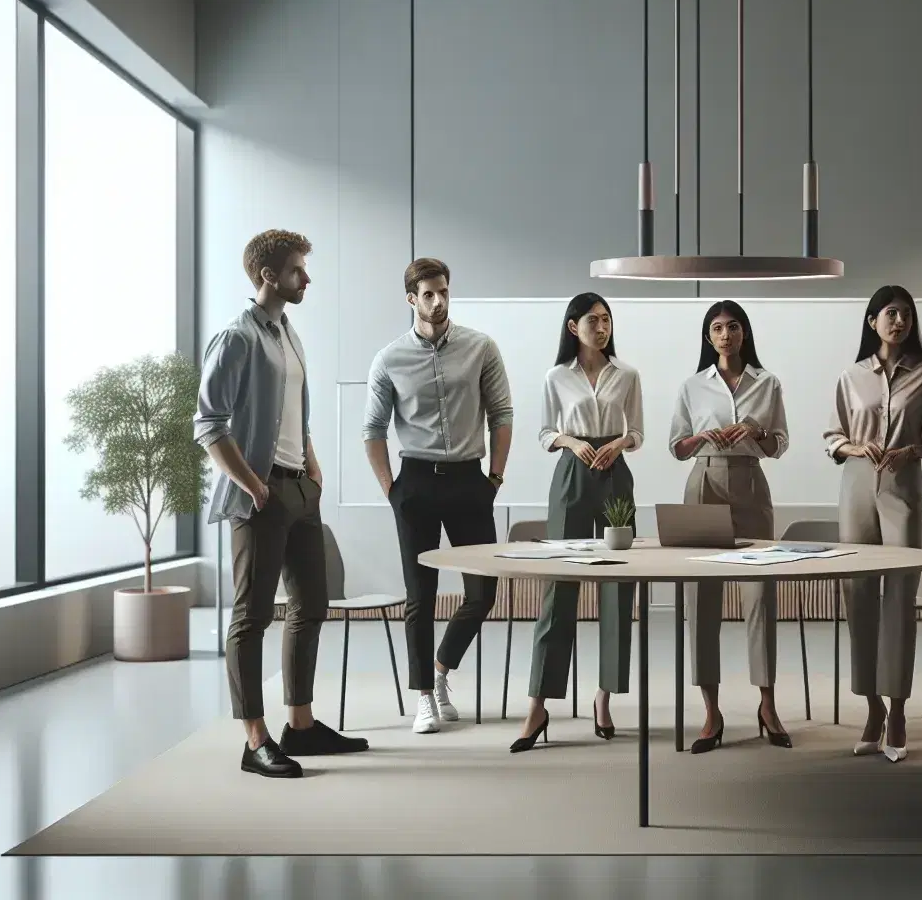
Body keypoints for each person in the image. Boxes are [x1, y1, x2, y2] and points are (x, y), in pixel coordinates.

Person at [195, 229, 367, 779]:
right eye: (298, 271)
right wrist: (252, 484)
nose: (306, 279)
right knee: (251, 617)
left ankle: (302, 725)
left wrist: (312, 463)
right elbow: (208, 423)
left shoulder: (289, 333)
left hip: (300, 488)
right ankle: (255, 740)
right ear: (269, 275)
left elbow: (296, 411)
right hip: (262, 494)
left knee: (310, 605)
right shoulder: (237, 337)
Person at [362, 257, 513, 735]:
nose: (438, 301)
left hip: (471, 481)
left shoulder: (480, 347)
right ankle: (423, 697)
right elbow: (373, 430)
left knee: (483, 592)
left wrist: (495, 477)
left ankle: (442, 670)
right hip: (416, 484)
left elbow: (502, 414)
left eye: (443, 291)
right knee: (420, 597)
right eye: (428, 294)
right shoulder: (389, 359)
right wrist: (393, 491)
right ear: (412, 298)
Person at [824, 286, 922, 764]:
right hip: (857, 486)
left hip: (902, 485)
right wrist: (854, 447)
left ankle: (898, 709)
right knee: (857, 594)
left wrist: (914, 451)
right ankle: (872, 709)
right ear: (871, 320)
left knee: (899, 597)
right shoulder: (851, 376)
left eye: (905, 314)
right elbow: (831, 436)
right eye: (890, 314)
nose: (898, 321)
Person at [514, 293, 644, 753]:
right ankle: (539, 705)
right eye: (593, 320)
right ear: (574, 327)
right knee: (558, 590)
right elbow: (545, 432)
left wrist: (620, 443)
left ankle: (603, 698)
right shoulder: (557, 376)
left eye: (607, 319)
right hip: (571, 473)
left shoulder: (626, 374)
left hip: (615, 474)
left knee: (617, 590)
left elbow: (639, 432)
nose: (602, 326)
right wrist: (571, 441)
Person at [668, 300, 792, 753]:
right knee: (701, 597)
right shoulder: (692, 386)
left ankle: (767, 704)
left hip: (751, 484)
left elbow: (779, 445)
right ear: (708, 337)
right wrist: (703, 436)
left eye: (733, 327)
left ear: (744, 333)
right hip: (704, 481)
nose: (725, 334)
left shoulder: (768, 382)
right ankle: (711, 712)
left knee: (761, 595)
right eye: (717, 328)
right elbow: (676, 448)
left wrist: (754, 433)